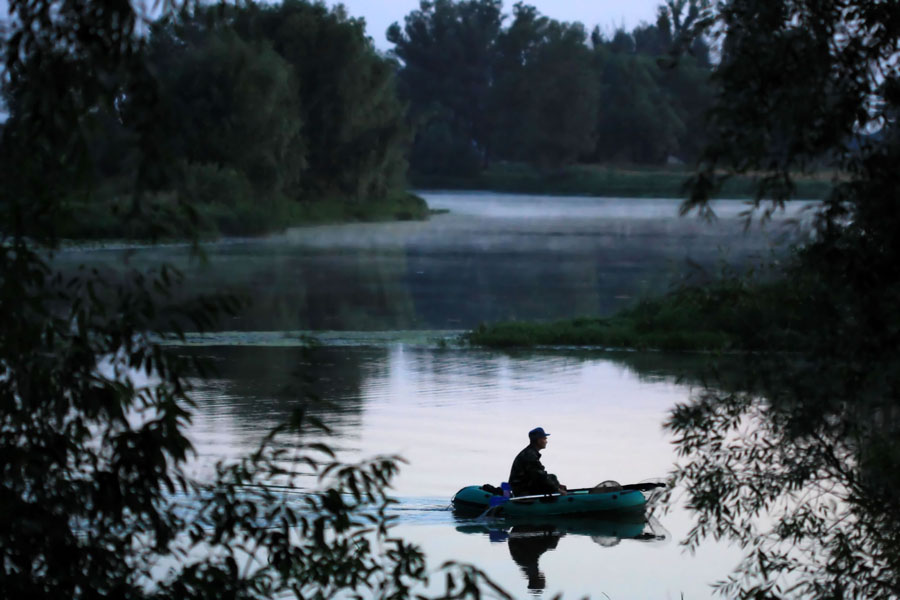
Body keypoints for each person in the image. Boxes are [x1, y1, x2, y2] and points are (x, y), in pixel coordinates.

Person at [508, 427, 567, 497]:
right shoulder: (530, 455)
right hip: (522, 490)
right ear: (539, 440)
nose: (546, 441)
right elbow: (539, 476)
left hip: (523, 487)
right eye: (545, 439)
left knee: (552, 477)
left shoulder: (529, 453)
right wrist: (557, 489)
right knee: (550, 479)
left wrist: (556, 485)